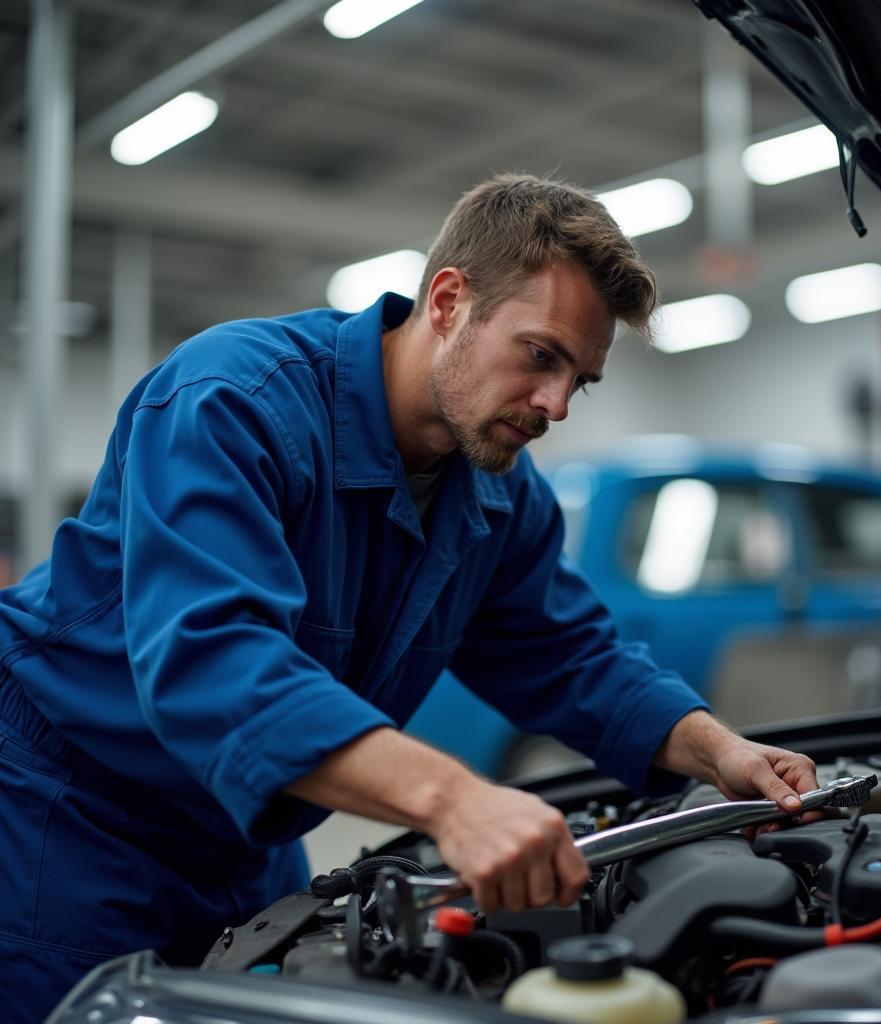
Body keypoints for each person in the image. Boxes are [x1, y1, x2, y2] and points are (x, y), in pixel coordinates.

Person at [0, 173, 817, 1020]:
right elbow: (216, 662)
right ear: (449, 300)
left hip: (244, 838)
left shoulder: (499, 492)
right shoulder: (232, 400)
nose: (556, 405)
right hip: (67, 819)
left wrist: (717, 750)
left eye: (581, 379)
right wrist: (457, 799)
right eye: (541, 355)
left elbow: (570, 653)